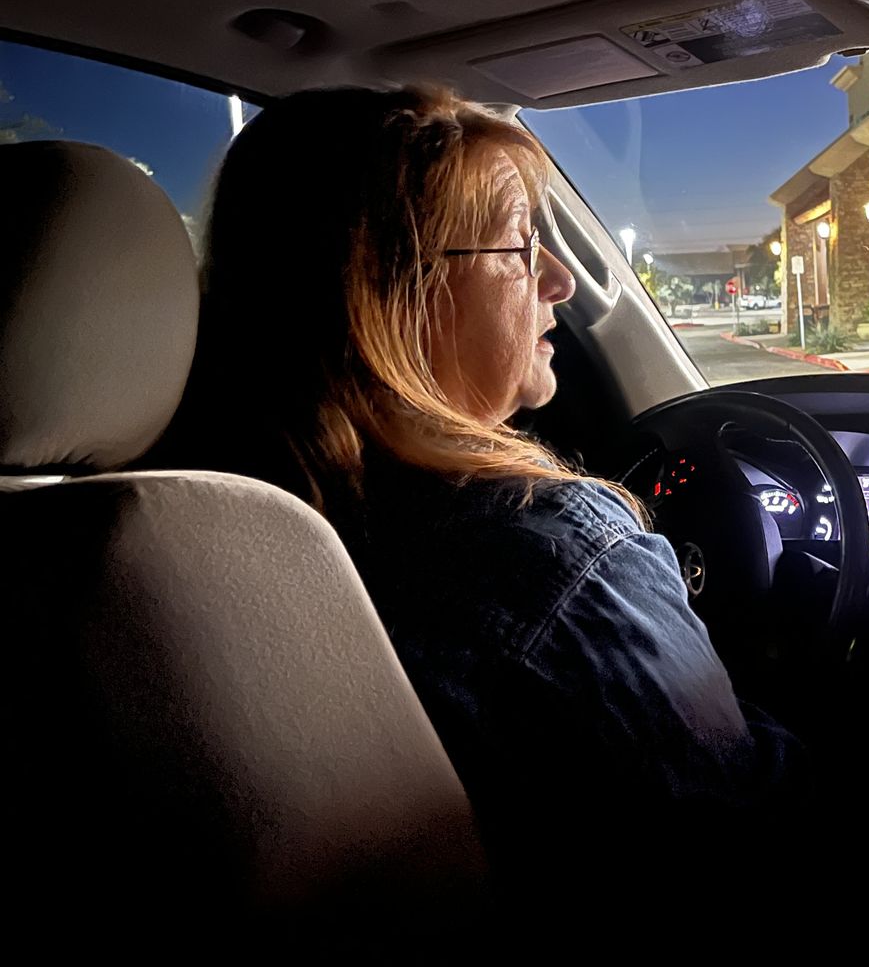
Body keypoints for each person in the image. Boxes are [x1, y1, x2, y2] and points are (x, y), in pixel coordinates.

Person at [163, 87, 807, 931]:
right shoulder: (555, 554)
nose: (559, 278)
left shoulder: (176, 521)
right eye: (518, 244)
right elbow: (759, 858)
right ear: (393, 290)